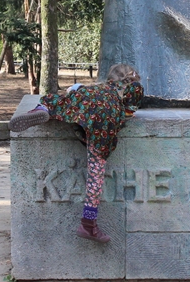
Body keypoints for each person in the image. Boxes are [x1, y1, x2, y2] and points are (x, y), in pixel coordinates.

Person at [9, 64, 143, 243]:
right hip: (106, 114)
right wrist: (128, 110)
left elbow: (73, 90)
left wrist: (72, 92)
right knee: (96, 172)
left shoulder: (93, 88)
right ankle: (88, 224)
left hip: (85, 101)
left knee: (59, 102)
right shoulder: (128, 88)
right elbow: (131, 104)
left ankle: (42, 109)